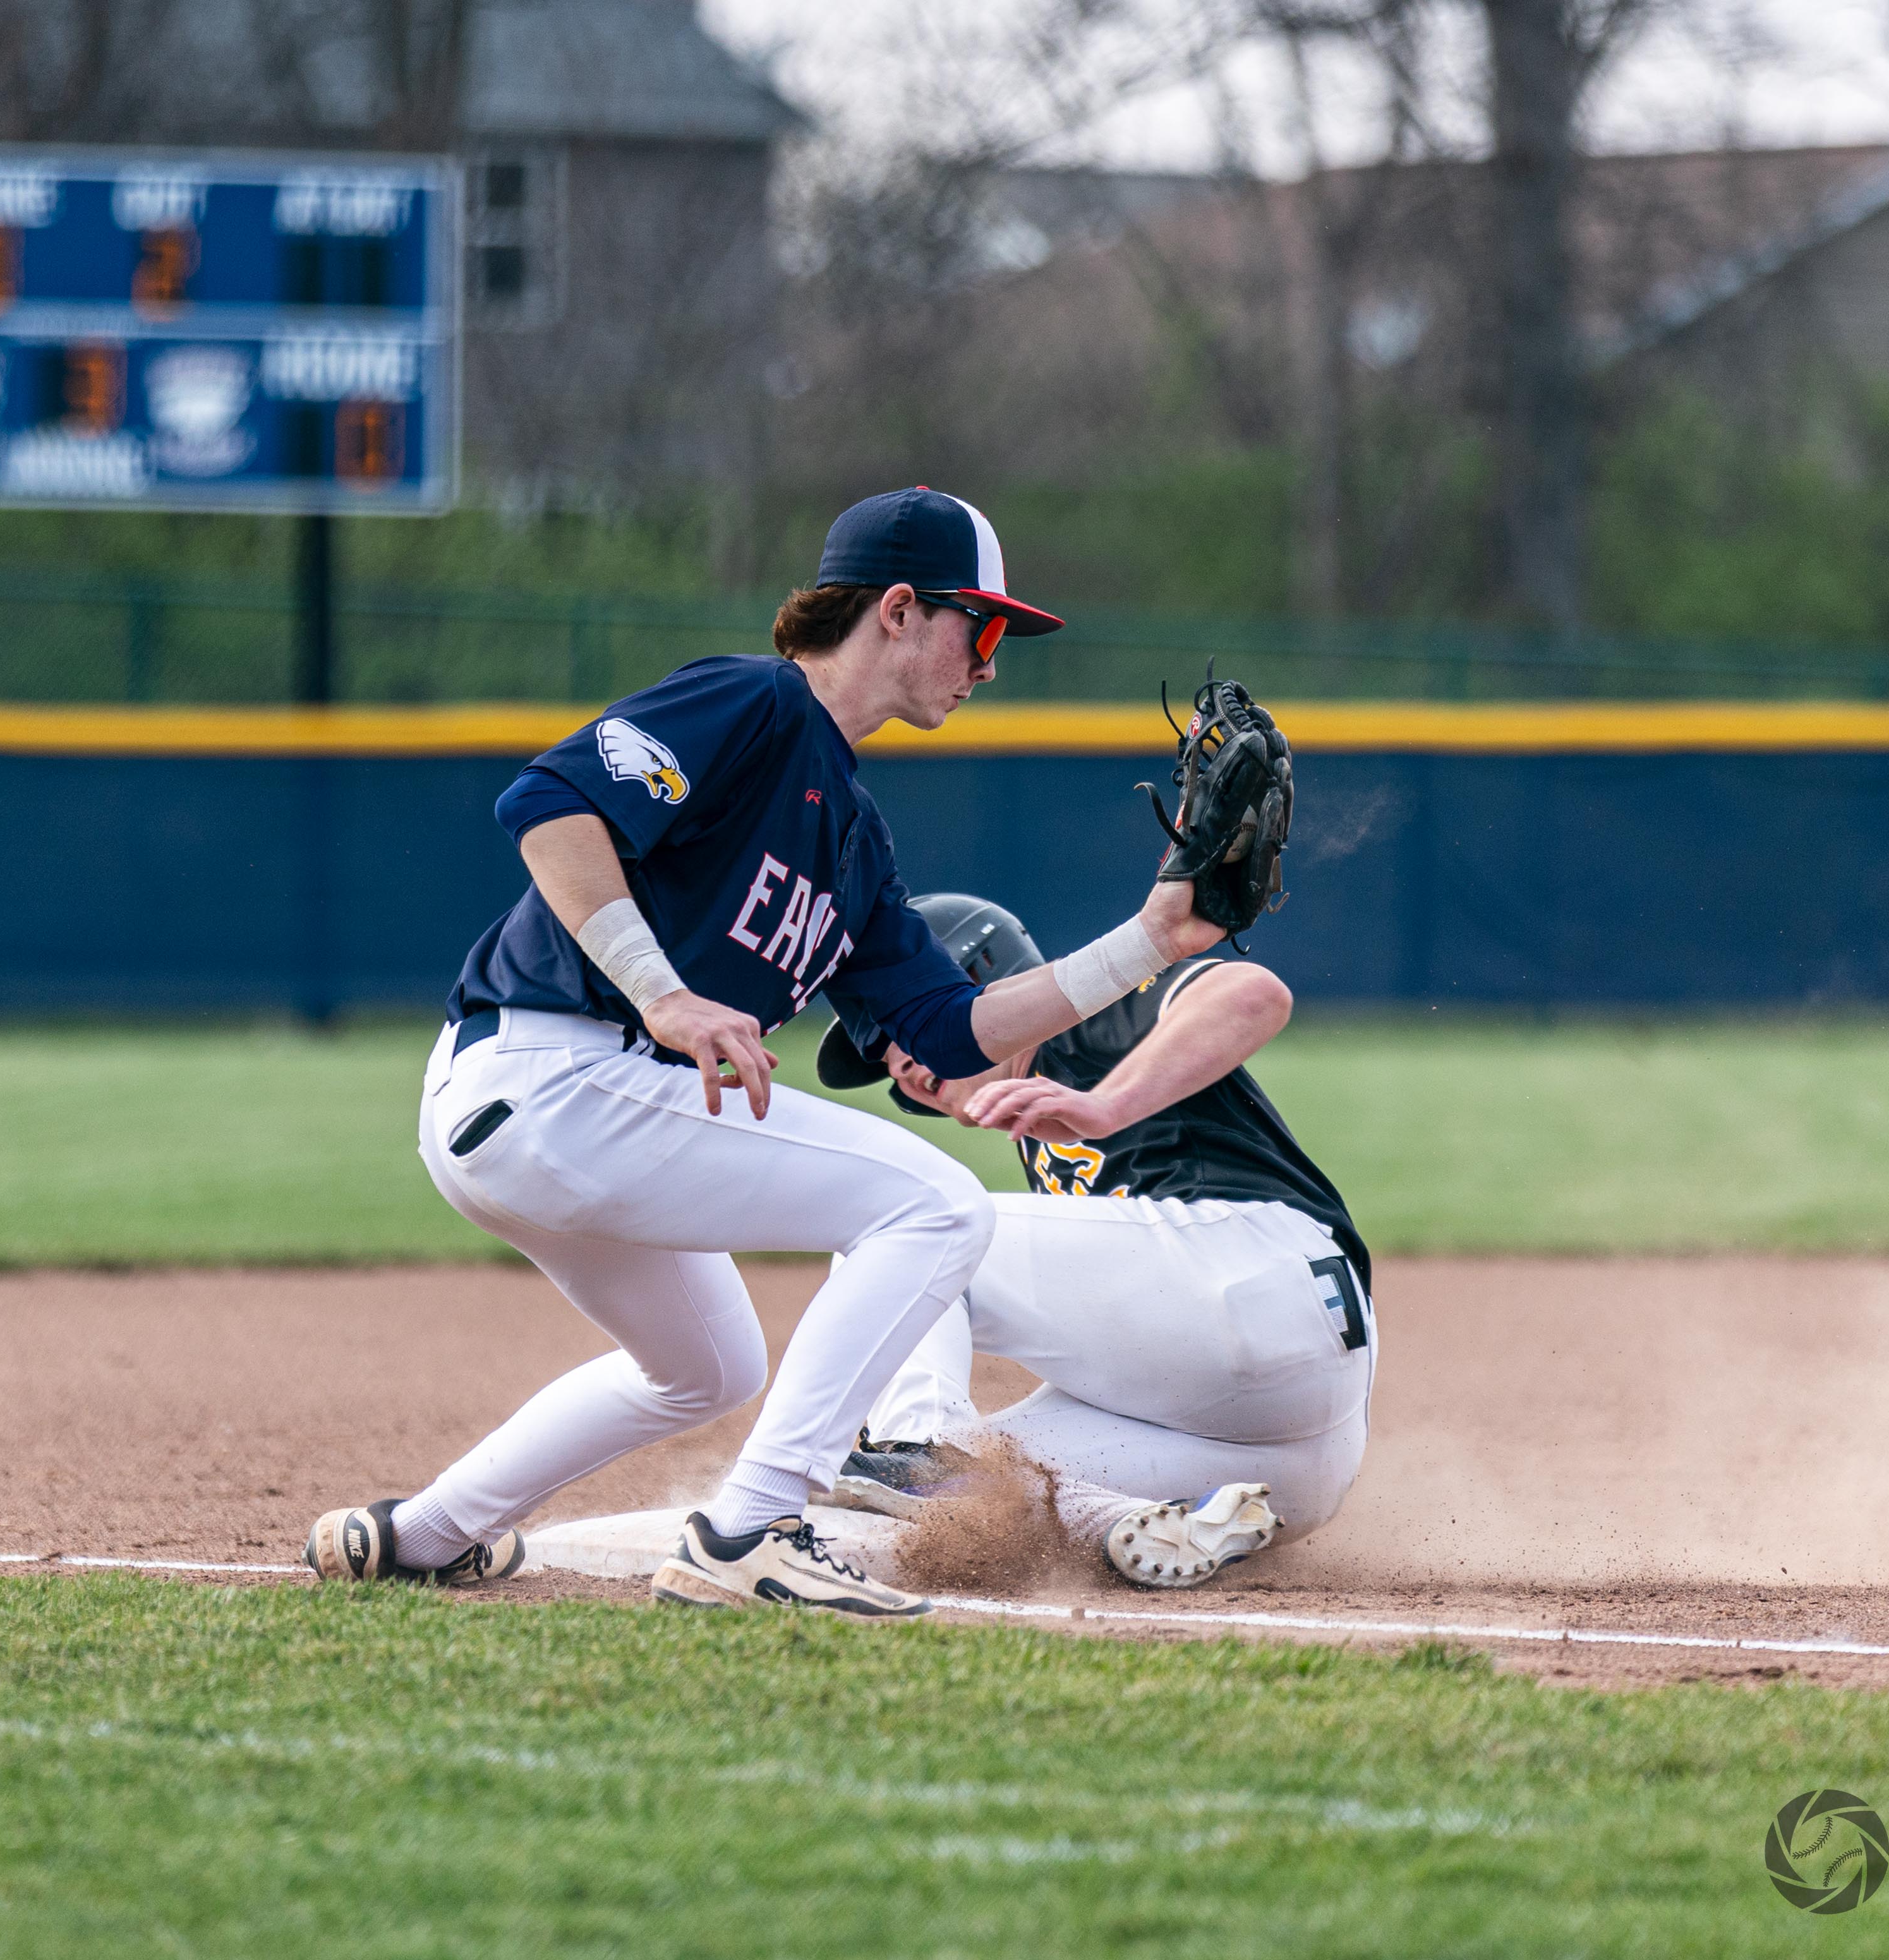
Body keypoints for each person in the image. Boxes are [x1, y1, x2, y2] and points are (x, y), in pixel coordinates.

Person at [304, 490, 1226, 1617]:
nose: (990, 663)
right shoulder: (755, 702)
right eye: (980, 626)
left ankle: (421, 1534)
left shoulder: (854, 837)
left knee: (709, 1367)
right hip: (550, 1073)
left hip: (566, 1107)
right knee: (935, 1206)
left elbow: (946, 1028)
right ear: (898, 609)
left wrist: (1152, 939)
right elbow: (548, 804)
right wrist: (663, 993)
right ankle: (751, 1532)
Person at [811, 894, 1373, 1590]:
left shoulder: (1081, 1025)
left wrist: (1107, 1105)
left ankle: (920, 1445)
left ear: (984, 979)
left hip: (1262, 1279)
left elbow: (1253, 994)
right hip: (1291, 1460)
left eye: (901, 1022)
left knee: (895, 1222)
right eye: (882, 1056)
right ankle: (1132, 1523)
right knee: (975, 1499)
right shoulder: (1040, 1118)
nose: (895, 1062)